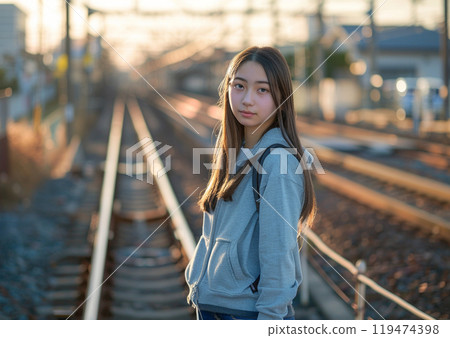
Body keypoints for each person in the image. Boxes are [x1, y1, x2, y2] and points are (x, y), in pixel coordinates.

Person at [185, 46, 316, 320]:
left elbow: (278, 255)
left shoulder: (277, 163)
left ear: (281, 96)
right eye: (240, 86)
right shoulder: (235, 152)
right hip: (216, 307)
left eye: (262, 90)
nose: (247, 100)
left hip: (244, 314)